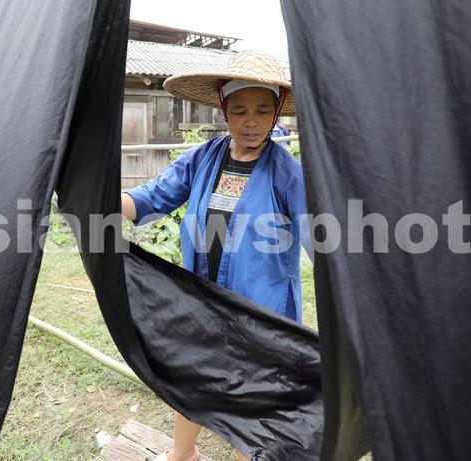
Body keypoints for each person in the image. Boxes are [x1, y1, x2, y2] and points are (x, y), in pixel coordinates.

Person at [121, 50, 309, 461]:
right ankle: (182, 455)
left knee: (252, 400)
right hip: (203, 299)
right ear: (224, 110)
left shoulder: (287, 173)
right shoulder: (204, 158)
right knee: (193, 379)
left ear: (277, 111)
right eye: (240, 111)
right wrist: (103, 202)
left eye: (262, 110)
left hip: (259, 311)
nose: (251, 121)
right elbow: (153, 196)